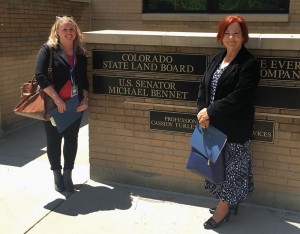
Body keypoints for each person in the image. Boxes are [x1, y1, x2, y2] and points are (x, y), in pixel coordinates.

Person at [196, 15, 260, 229]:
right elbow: (204, 87)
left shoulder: (249, 64)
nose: (231, 37)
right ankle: (226, 201)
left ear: (244, 37)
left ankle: (223, 210)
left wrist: (210, 112)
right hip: (212, 127)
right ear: (221, 36)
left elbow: (240, 97)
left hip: (234, 129)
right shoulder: (216, 59)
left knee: (233, 171)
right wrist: (201, 112)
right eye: (227, 32)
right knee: (216, 170)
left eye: (236, 33)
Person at [35, 16, 89, 192]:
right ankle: (57, 176)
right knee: (54, 141)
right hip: (54, 106)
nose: (69, 32)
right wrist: (57, 99)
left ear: (76, 32)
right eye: (65, 29)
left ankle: (68, 175)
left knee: (71, 140)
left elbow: (83, 80)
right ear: (57, 31)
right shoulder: (48, 49)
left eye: (71, 29)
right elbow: (40, 76)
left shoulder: (80, 54)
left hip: (74, 105)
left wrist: (85, 98)